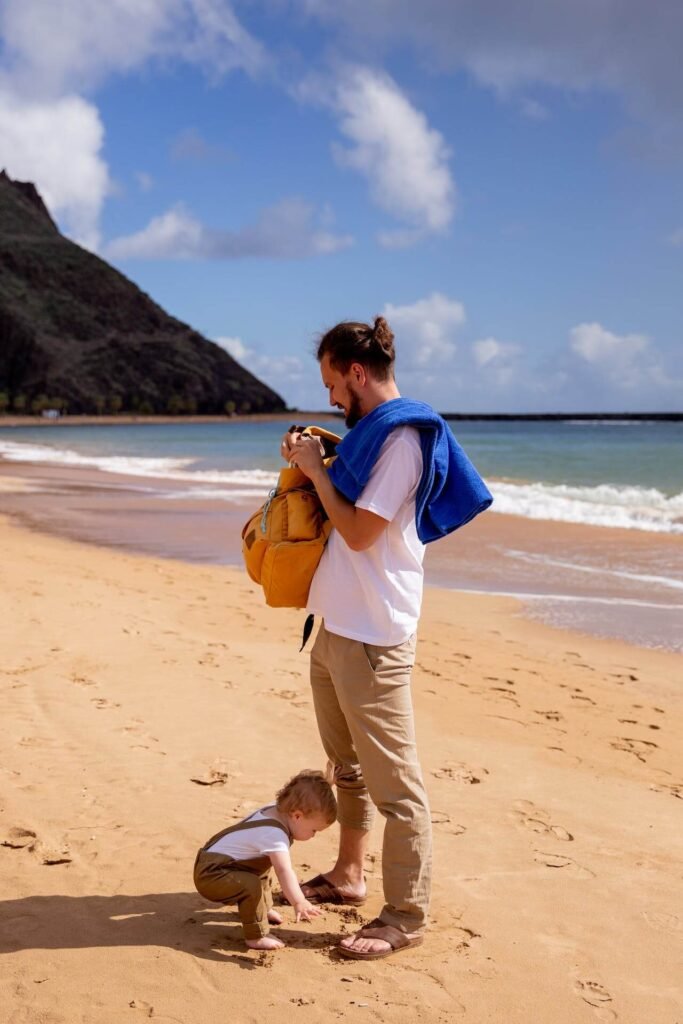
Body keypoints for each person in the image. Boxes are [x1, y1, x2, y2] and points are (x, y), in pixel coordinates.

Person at [282, 316, 491, 961]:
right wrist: (311, 462)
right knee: (346, 770)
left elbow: (363, 532)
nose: (331, 399)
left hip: (375, 636)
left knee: (397, 788)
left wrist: (318, 471)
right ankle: (349, 876)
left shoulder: (401, 438)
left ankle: (405, 914)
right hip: (339, 626)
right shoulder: (371, 436)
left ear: (357, 372)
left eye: (332, 385)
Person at [193, 769, 336, 950]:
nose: (314, 835)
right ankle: (256, 936)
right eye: (314, 830)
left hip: (217, 864)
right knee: (251, 884)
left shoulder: (276, 809)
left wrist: (328, 785)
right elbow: (284, 871)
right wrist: (299, 901)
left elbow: (307, 796)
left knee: (261, 868)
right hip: (211, 877)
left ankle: (262, 910)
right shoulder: (274, 836)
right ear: (297, 816)